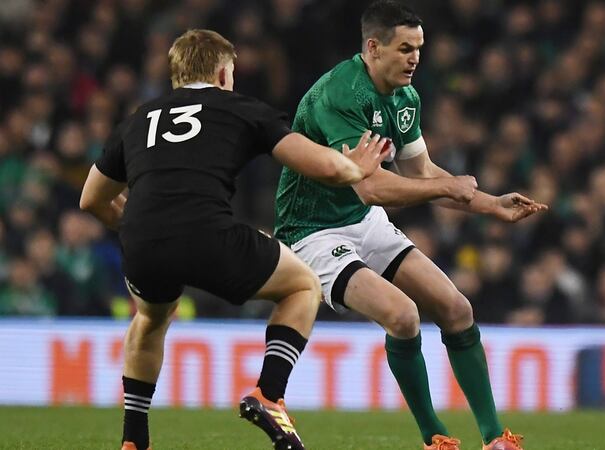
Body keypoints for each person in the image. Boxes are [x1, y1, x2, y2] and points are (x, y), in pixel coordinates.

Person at [79, 29, 389, 450]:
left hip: (142, 240)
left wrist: (136, 227)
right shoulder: (239, 108)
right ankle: (269, 393)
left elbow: (91, 199)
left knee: (150, 319)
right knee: (303, 286)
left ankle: (134, 439)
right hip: (208, 233)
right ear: (225, 73)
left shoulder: (139, 118)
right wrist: (355, 168)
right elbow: (325, 167)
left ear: (176, 76)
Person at [274, 2, 547, 449]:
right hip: (312, 230)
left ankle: (496, 438)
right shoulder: (342, 95)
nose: (415, 58)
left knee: (456, 308)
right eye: (405, 48)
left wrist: (489, 205)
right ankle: (434, 437)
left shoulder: (406, 98)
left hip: (362, 221)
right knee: (403, 316)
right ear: (373, 47)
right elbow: (370, 187)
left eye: (419, 48)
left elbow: (421, 172)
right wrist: (451, 189)